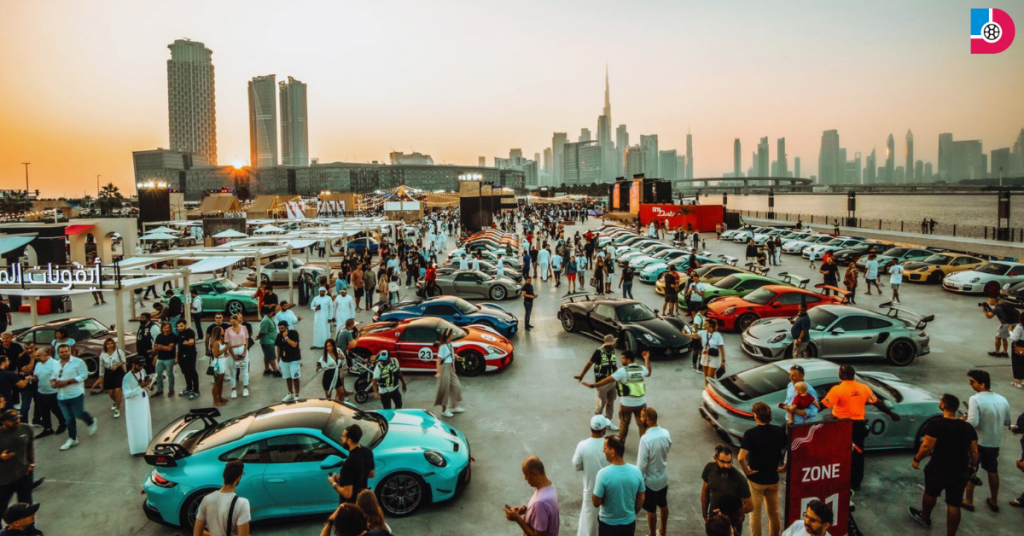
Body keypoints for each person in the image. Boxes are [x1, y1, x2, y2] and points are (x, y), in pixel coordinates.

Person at [819, 364, 901, 491]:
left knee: (839, 453)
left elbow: (824, 405)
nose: (838, 374)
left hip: (842, 425)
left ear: (844, 375)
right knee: (858, 454)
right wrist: (891, 414)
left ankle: (840, 480)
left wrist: (807, 408)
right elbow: (878, 402)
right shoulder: (864, 388)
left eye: (840, 372)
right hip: (858, 426)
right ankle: (856, 483)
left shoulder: (837, 389)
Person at [908, 393, 978, 536]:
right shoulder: (967, 427)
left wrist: (917, 459)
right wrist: (973, 465)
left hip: (938, 467)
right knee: (954, 503)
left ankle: (925, 517)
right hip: (959, 469)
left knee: (930, 493)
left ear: (943, 406)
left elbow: (927, 446)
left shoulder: (936, 424)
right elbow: (974, 450)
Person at [962, 369, 1011, 512]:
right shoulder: (1002, 399)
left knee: (972, 470)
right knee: (993, 470)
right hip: (994, 441)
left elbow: (973, 422)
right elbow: (1007, 421)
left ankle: (969, 500)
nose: (970, 384)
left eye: (972, 382)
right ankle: (994, 500)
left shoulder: (975, 399)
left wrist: (963, 420)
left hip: (978, 442)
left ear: (982, 384)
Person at [738, 402, 788, 536]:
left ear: (755, 415)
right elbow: (792, 448)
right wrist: (785, 466)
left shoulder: (750, 434)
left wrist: (747, 472)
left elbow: (741, 458)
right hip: (773, 478)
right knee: (773, 513)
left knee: (755, 513)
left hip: (756, 480)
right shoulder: (778, 431)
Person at [583, 350, 651, 443]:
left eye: (623, 358)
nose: (621, 360)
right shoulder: (641, 368)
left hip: (626, 404)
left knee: (624, 424)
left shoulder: (623, 371)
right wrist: (646, 359)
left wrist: (593, 385)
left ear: (628, 359)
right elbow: (649, 372)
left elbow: (608, 380)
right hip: (641, 403)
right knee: (642, 425)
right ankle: (645, 444)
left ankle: (620, 443)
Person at [592, 435, 645, 536]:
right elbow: (641, 497)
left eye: (605, 448)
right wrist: (632, 513)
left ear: (612, 452)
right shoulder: (636, 471)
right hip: (629, 524)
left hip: (607, 525)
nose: (603, 451)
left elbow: (595, 502)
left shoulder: (603, 474)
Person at [52, 344, 97, 451]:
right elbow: (52, 376)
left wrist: (67, 382)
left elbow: (84, 375)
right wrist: (53, 383)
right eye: (61, 352)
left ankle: (91, 421)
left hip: (75, 394)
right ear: (58, 353)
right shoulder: (55, 364)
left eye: (66, 351)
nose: (64, 354)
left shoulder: (78, 362)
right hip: (61, 396)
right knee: (68, 419)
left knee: (78, 413)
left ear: (70, 351)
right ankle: (73, 438)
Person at [573, 415, 612, 536]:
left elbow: (576, 465)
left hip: (590, 491)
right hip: (608, 490)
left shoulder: (582, 446)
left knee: (589, 523)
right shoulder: (609, 446)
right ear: (603, 430)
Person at [701, 445, 752, 536]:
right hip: (715, 521)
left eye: (729, 462)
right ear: (715, 458)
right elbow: (705, 491)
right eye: (723, 462)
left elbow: (750, 505)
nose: (727, 466)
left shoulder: (739, 479)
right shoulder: (709, 469)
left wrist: (727, 510)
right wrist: (705, 515)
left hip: (733, 523)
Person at [503, 456, 560, 536]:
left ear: (534, 475)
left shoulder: (540, 503)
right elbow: (545, 514)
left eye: (526, 475)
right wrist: (526, 510)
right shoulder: (549, 486)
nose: (525, 478)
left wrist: (518, 519)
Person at [637, 407, 671, 536]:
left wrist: (637, 483)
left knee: (651, 509)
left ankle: (652, 533)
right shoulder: (666, 433)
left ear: (648, 420)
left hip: (650, 481)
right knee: (663, 504)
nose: (640, 420)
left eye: (641, 417)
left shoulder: (645, 439)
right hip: (663, 478)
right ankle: (663, 531)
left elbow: (641, 464)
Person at [194, 460, 251, 536]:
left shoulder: (207, 499)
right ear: (238, 478)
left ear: (224, 475)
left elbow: (197, 533)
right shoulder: (242, 503)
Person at [574, 335, 620, 429]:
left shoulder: (612, 351)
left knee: (610, 402)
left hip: (612, 381)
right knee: (601, 404)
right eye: (613, 343)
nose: (615, 344)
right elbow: (589, 363)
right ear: (608, 344)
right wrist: (582, 375)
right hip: (601, 383)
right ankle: (596, 424)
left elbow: (614, 367)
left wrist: (617, 381)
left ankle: (608, 422)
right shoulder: (598, 352)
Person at [329, 424, 375, 503]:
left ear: (349, 440)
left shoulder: (348, 464)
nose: (341, 438)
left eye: (343, 437)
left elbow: (347, 494)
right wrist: (344, 477)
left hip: (351, 507)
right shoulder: (367, 452)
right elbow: (371, 474)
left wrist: (333, 483)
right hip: (362, 501)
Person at [0, 410, 34, 510]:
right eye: (12, 420)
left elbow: (30, 447)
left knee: (26, 505)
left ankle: (29, 525)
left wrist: (32, 463)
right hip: (3, 479)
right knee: (1, 507)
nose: (17, 421)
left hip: (23, 474)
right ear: (3, 422)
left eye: (17, 418)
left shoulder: (26, 429)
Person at [29, 349, 65, 439]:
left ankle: (63, 423)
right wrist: (32, 378)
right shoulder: (38, 364)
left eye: (39, 355)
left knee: (56, 409)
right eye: (36, 355)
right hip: (41, 391)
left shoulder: (55, 364)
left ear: (46, 354)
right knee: (44, 411)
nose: (37, 358)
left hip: (53, 392)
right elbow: (36, 377)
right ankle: (47, 428)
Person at [122, 356, 153, 456]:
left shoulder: (142, 371)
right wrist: (140, 388)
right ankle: (137, 449)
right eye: (139, 365)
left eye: (142, 366)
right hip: (133, 405)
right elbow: (126, 394)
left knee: (145, 423)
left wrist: (148, 383)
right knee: (136, 426)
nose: (141, 367)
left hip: (143, 401)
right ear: (133, 364)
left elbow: (142, 384)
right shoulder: (127, 378)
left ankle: (147, 444)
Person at [433, 328, 465, 417]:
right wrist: (438, 371)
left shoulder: (450, 344)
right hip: (444, 368)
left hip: (451, 368)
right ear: (448, 335)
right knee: (444, 389)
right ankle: (444, 410)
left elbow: (449, 354)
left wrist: (456, 356)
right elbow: (438, 360)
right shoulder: (442, 346)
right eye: (451, 333)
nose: (453, 335)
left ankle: (454, 406)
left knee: (456, 386)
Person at [93, 338, 125, 418]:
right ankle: (115, 401)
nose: (110, 345)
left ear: (114, 344)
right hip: (108, 372)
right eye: (108, 344)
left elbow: (123, 361)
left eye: (111, 343)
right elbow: (101, 366)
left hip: (118, 372)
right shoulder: (103, 354)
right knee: (110, 392)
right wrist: (101, 377)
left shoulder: (119, 351)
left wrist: (117, 365)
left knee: (117, 390)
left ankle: (117, 409)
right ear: (105, 345)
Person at [224, 315, 250, 398]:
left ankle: (245, 387)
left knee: (245, 370)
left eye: (234, 322)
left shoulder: (244, 328)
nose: (232, 323)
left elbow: (246, 339)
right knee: (233, 371)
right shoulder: (227, 330)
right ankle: (233, 389)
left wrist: (245, 351)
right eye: (231, 322)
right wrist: (233, 355)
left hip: (242, 348)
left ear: (238, 321)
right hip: (233, 349)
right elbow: (227, 343)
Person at [275, 321, 302, 402]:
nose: (280, 330)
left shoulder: (293, 333)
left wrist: (286, 337)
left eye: (282, 328)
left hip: (294, 359)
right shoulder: (279, 336)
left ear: (286, 327)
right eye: (279, 328)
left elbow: (294, 344)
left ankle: (297, 394)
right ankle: (290, 393)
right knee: (287, 377)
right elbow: (278, 347)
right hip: (284, 359)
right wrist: (278, 358)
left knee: (295, 377)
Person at [150, 323, 177, 397]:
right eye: (165, 328)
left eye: (168, 328)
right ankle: (160, 390)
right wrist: (162, 347)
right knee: (158, 374)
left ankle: (171, 389)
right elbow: (155, 347)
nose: (167, 329)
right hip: (160, 358)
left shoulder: (173, 336)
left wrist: (160, 346)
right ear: (162, 329)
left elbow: (170, 348)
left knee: (170, 374)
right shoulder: (159, 336)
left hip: (169, 358)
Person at [176, 319, 200, 400]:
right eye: (178, 326)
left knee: (192, 372)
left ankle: (196, 390)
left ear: (185, 325)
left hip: (190, 355)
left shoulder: (190, 332)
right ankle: (189, 388)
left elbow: (191, 341)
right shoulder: (179, 333)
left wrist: (188, 343)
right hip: (181, 355)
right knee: (185, 372)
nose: (180, 328)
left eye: (181, 326)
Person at [1009, 310, 1024, 388]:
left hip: (1020, 344)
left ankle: (1019, 381)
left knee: (1017, 363)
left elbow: (1015, 338)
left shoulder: (1020, 327)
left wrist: (1010, 331)